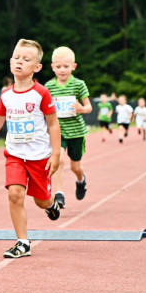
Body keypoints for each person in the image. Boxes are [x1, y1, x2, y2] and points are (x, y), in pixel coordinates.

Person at [0, 39, 62, 259]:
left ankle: (51, 203)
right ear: (10, 62)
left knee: (41, 201)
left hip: (39, 157)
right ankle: (23, 242)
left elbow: (53, 124)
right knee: (15, 194)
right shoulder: (6, 95)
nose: (20, 62)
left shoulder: (41, 93)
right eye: (17, 58)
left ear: (36, 67)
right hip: (15, 155)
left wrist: (56, 154)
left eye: (26, 59)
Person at [44, 46, 91, 208]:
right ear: (52, 67)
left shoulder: (79, 85)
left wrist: (81, 109)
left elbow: (89, 107)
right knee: (59, 159)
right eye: (58, 67)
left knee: (75, 167)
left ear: (73, 66)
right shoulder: (49, 87)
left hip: (77, 132)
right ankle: (59, 194)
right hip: (58, 131)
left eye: (66, 66)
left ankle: (81, 180)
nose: (62, 70)